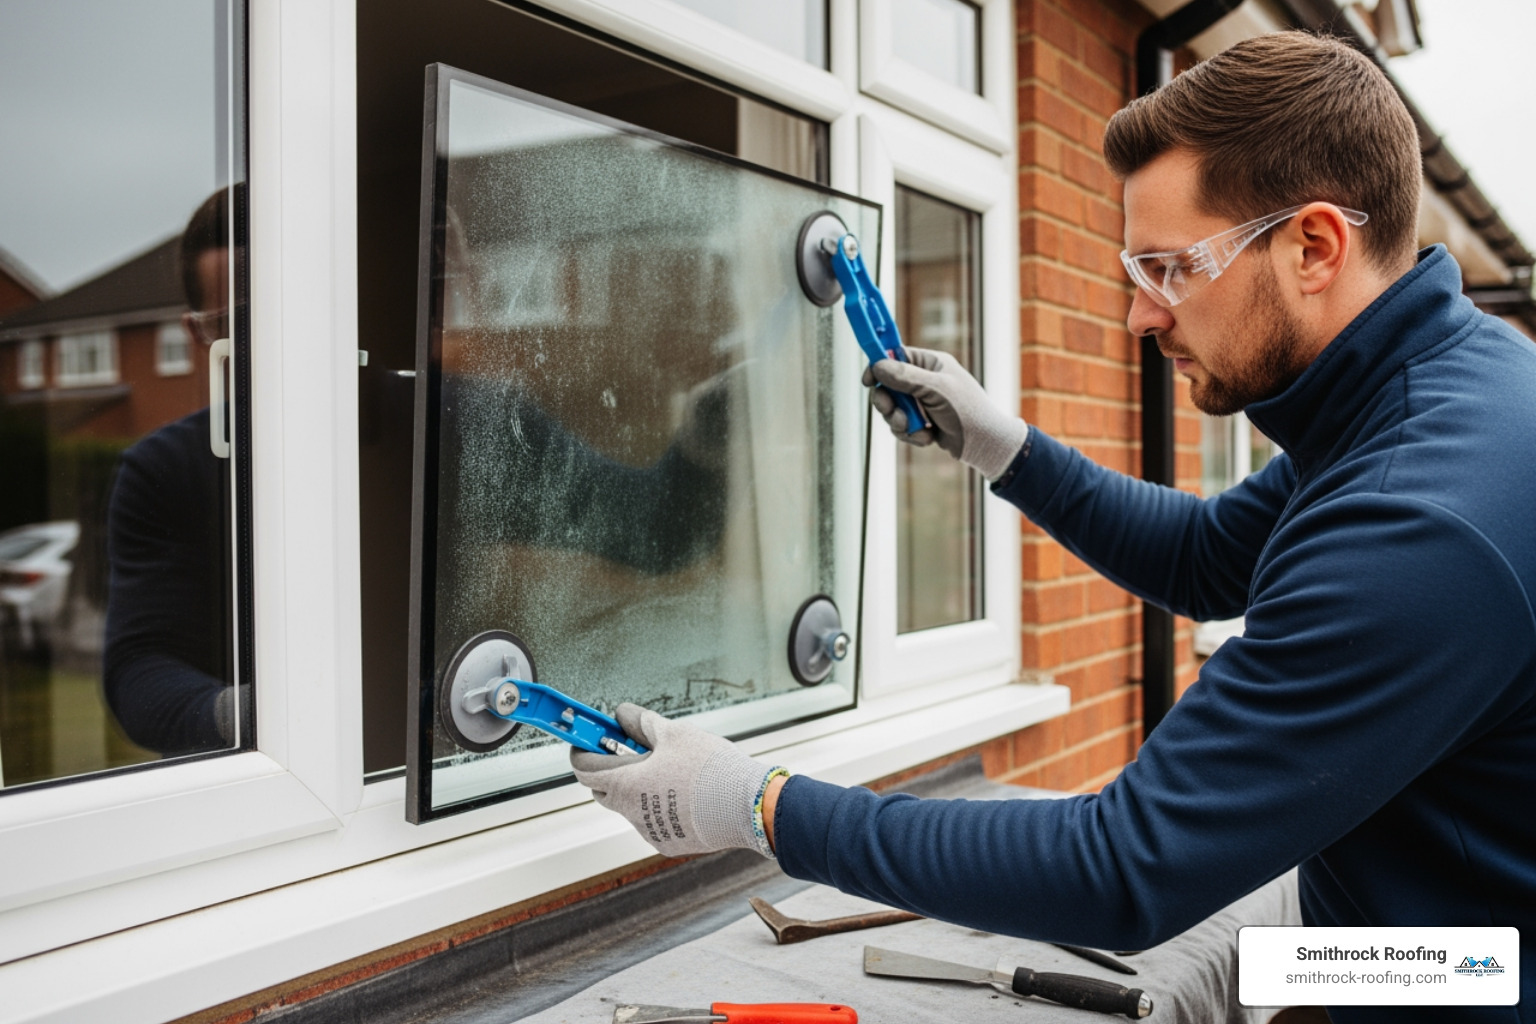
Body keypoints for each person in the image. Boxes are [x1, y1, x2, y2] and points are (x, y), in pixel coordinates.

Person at [569, 32, 1535, 1024]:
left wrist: (757, 804)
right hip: (1431, 947)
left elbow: (1121, 869)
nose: (1140, 316)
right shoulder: (1420, 397)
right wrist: (1007, 449)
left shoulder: (1420, 519)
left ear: (1316, 246)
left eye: (1170, 268)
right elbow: (1208, 559)